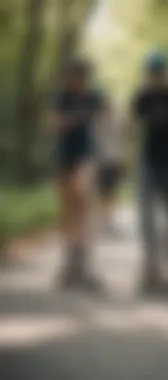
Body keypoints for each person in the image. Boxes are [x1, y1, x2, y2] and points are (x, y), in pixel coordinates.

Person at [129, 50, 168, 292]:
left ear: (167, 72)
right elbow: (133, 125)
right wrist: (129, 156)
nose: (156, 77)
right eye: (152, 73)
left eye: (160, 72)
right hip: (148, 162)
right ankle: (150, 264)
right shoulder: (142, 96)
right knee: (146, 215)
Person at [50, 58, 107, 293]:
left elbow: (106, 119)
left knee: (83, 202)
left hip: (86, 155)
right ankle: (69, 263)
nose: (79, 80)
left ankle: (83, 265)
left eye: (82, 75)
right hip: (64, 156)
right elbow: (54, 123)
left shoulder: (94, 97)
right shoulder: (61, 96)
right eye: (75, 75)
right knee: (68, 209)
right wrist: (74, 119)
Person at [95, 106, 126, 237]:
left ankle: (108, 221)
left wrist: (122, 163)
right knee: (102, 194)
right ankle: (102, 221)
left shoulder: (116, 129)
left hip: (113, 164)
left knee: (111, 193)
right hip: (101, 164)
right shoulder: (97, 129)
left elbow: (120, 148)